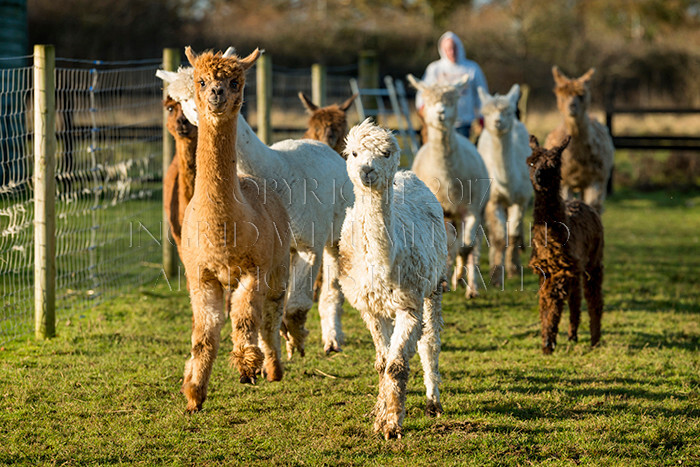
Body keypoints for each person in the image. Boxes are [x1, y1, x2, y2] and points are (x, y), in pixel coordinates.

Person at [416, 31, 489, 140]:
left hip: (464, 124)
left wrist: (483, 116)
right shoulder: (435, 69)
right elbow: (423, 93)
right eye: (448, 49)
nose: (452, 52)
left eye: (454, 48)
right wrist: (423, 110)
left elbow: (481, 94)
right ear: (442, 50)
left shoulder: (472, 69)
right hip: (440, 124)